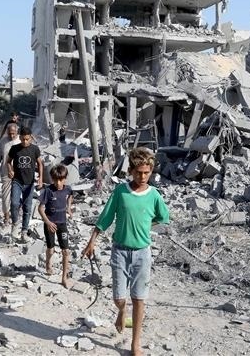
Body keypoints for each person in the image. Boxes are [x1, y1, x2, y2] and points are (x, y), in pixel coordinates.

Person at [81, 147, 170, 356]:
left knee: (139, 298)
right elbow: (106, 217)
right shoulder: (120, 192)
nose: (142, 176)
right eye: (138, 172)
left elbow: (163, 217)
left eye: (147, 172)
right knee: (119, 298)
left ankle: (135, 344)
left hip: (142, 253)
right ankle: (122, 311)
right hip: (119, 251)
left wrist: (147, 222)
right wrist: (91, 241)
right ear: (130, 170)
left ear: (151, 171)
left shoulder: (154, 195)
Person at [38, 164, 74, 289]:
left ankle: (64, 277)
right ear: (52, 179)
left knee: (66, 251)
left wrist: (69, 208)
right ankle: (48, 263)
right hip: (50, 224)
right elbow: (40, 208)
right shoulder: (48, 191)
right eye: (55, 180)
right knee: (51, 249)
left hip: (62, 223)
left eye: (61, 179)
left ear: (65, 178)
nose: (58, 183)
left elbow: (70, 195)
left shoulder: (67, 189)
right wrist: (48, 222)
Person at [6, 126, 43, 240]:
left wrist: (41, 178)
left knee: (27, 207)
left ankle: (24, 231)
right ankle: (15, 224)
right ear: (20, 137)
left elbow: (40, 164)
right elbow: (8, 162)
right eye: (23, 139)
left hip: (30, 183)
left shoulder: (35, 149)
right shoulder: (14, 148)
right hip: (17, 181)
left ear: (31, 138)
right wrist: (10, 170)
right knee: (14, 204)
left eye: (27, 139)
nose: (25, 142)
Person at [0, 123, 20, 226]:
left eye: (13, 134)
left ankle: (16, 217)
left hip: (19, 174)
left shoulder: (20, 141)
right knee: (5, 197)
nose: (12, 136)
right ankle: (6, 217)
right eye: (10, 134)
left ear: (17, 132)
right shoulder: (3, 141)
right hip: (5, 173)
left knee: (17, 198)